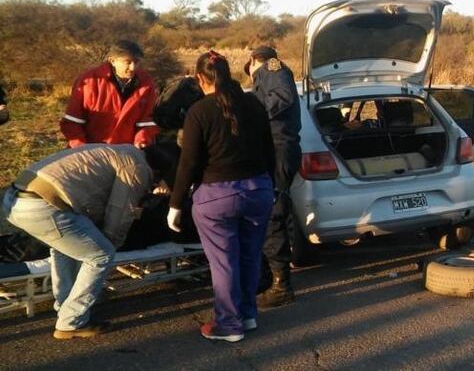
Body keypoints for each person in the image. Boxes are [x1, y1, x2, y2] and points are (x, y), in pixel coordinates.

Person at [0, 143, 171, 339]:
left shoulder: (121, 150)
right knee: (101, 255)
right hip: (41, 205)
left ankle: (66, 304)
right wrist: (112, 243)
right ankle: (72, 321)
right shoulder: (137, 167)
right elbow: (120, 213)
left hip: (15, 199)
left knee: (64, 247)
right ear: (158, 172)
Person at [168, 50, 275, 342]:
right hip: (259, 191)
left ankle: (229, 324)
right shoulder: (254, 104)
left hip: (217, 196)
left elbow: (188, 163)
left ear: (200, 78)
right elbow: (269, 151)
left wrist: (175, 204)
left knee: (224, 262)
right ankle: (248, 314)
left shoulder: (199, 112)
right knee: (251, 255)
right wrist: (272, 187)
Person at [244, 45, 301, 308]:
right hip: (274, 148)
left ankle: (281, 285)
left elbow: (284, 97)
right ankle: (268, 277)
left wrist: (252, 115)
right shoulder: (268, 74)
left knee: (274, 213)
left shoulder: (270, 68)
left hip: (278, 148)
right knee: (267, 212)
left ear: (253, 61)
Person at [60, 40, 159, 148]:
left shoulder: (147, 83)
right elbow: (72, 122)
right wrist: (83, 149)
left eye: (136, 62)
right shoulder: (90, 81)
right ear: (112, 61)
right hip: (90, 148)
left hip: (127, 150)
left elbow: (147, 121)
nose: (133, 67)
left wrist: (141, 141)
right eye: (128, 62)